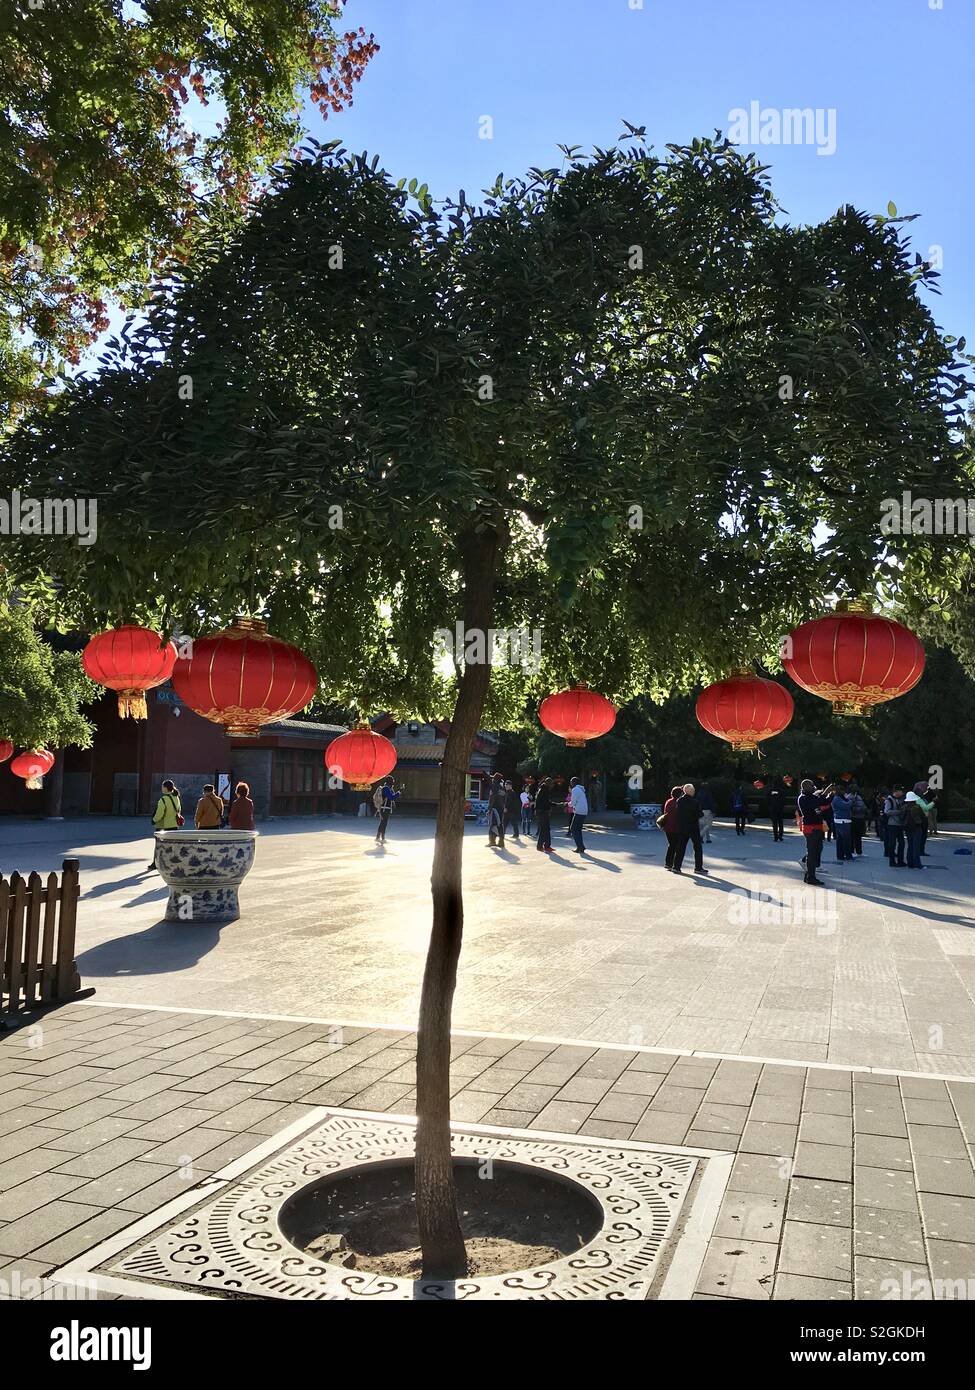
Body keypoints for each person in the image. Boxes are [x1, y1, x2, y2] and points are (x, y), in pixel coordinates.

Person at [796, 778, 833, 886]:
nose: (814, 788)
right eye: (812, 786)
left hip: (816, 827)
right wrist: (828, 793)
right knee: (811, 853)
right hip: (810, 828)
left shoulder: (809, 797)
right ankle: (810, 877)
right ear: (807, 787)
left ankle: (809, 875)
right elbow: (820, 801)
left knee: (817, 850)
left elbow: (821, 800)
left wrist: (828, 792)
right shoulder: (803, 798)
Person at [673, 782, 708, 875]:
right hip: (693, 827)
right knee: (697, 847)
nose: (694, 792)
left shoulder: (679, 801)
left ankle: (676, 867)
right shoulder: (694, 802)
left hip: (682, 827)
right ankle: (698, 867)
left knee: (680, 847)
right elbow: (700, 814)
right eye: (693, 790)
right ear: (691, 791)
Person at [148, 779, 181, 870]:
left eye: (163, 787)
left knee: (159, 846)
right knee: (172, 845)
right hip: (174, 825)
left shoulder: (163, 800)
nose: (162, 788)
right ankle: (172, 863)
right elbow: (179, 810)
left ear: (166, 788)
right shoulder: (176, 798)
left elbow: (159, 814)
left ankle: (155, 863)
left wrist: (154, 820)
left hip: (163, 826)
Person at [661, 785, 684, 871]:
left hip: (667, 826)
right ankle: (672, 864)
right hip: (675, 827)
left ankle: (668, 863)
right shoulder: (678, 803)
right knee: (676, 846)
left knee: (671, 845)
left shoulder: (668, 801)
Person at [373, 775, 401, 844]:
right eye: (392, 781)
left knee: (382, 822)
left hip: (384, 808)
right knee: (384, 823)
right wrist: (399, 792)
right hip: (385, 809)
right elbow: (391, 797)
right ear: (390, 782)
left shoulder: (387, 788)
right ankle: (382, 838)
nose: (393, 783)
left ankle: (378, 837)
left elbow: (391, 797)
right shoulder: (386, 788)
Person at [883, 785, 906, 867]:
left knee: (902, 843)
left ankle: (900, 861)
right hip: (892, 824)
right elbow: (887, 811)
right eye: (901, 791)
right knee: (892, 844)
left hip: (899, 824)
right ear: (897, 791)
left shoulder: (898, 800)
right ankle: (892, 862)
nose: (902, 793)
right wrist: (899, 812)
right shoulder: (889, 800)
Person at [831, 785, 855, 862]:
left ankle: (840, 856)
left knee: (840, 840)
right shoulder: (837, 799)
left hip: (840, 821)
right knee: (846, 840)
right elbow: (846, 806)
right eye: (843, 791)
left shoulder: (838, 798)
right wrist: (851, 801)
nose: (844, 793)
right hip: (843, 821)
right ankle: (848, 856)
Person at [904, 791, 926, 869]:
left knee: (910, 845)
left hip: (907, 828)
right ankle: (917, 863)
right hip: (916, 827)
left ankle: (910, 862)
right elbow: (923, 817)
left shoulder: (904, 807)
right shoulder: (917, 807)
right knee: (916, 846)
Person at [567, 776, 589, 854]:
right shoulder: (581, 789)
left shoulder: (575, 789)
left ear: (574, 782)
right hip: (584, 811)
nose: (570, 783)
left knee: (573, 829)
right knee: (578, 829)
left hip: (579, 811)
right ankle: (581, 847)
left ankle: (579, 847)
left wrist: (567, 804)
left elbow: (572, 802)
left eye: (571, 782)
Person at [487, 773, 506, 849]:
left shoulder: (495, 787)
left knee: (493, 825)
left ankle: (492, 841)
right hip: (500, 809)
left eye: (493, 778)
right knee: (499, 825)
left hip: (495, 809)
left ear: (495, 780)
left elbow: (493, 799)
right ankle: (500, 842)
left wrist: (489, 809)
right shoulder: (501, 788)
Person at [534, 777, 553, 852]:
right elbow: (546, 802)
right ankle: (542, 846)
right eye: (551, 784)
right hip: (542, 812)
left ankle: (546, 846)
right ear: (548, 784)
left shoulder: (543, 789)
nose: (552, 786)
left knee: (546, 829)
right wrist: (558, 804)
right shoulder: (544, 790)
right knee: (544, 829)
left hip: (542, 812)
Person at [850, 785, 867, 857]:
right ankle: (851, 851)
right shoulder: (850, 797)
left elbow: (863, 805)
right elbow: (850, 807)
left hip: (860, 818)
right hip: (853, 818)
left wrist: (864, 809)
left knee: (858, 836)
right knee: (852, 836)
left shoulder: (859, 797)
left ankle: (859, 851)